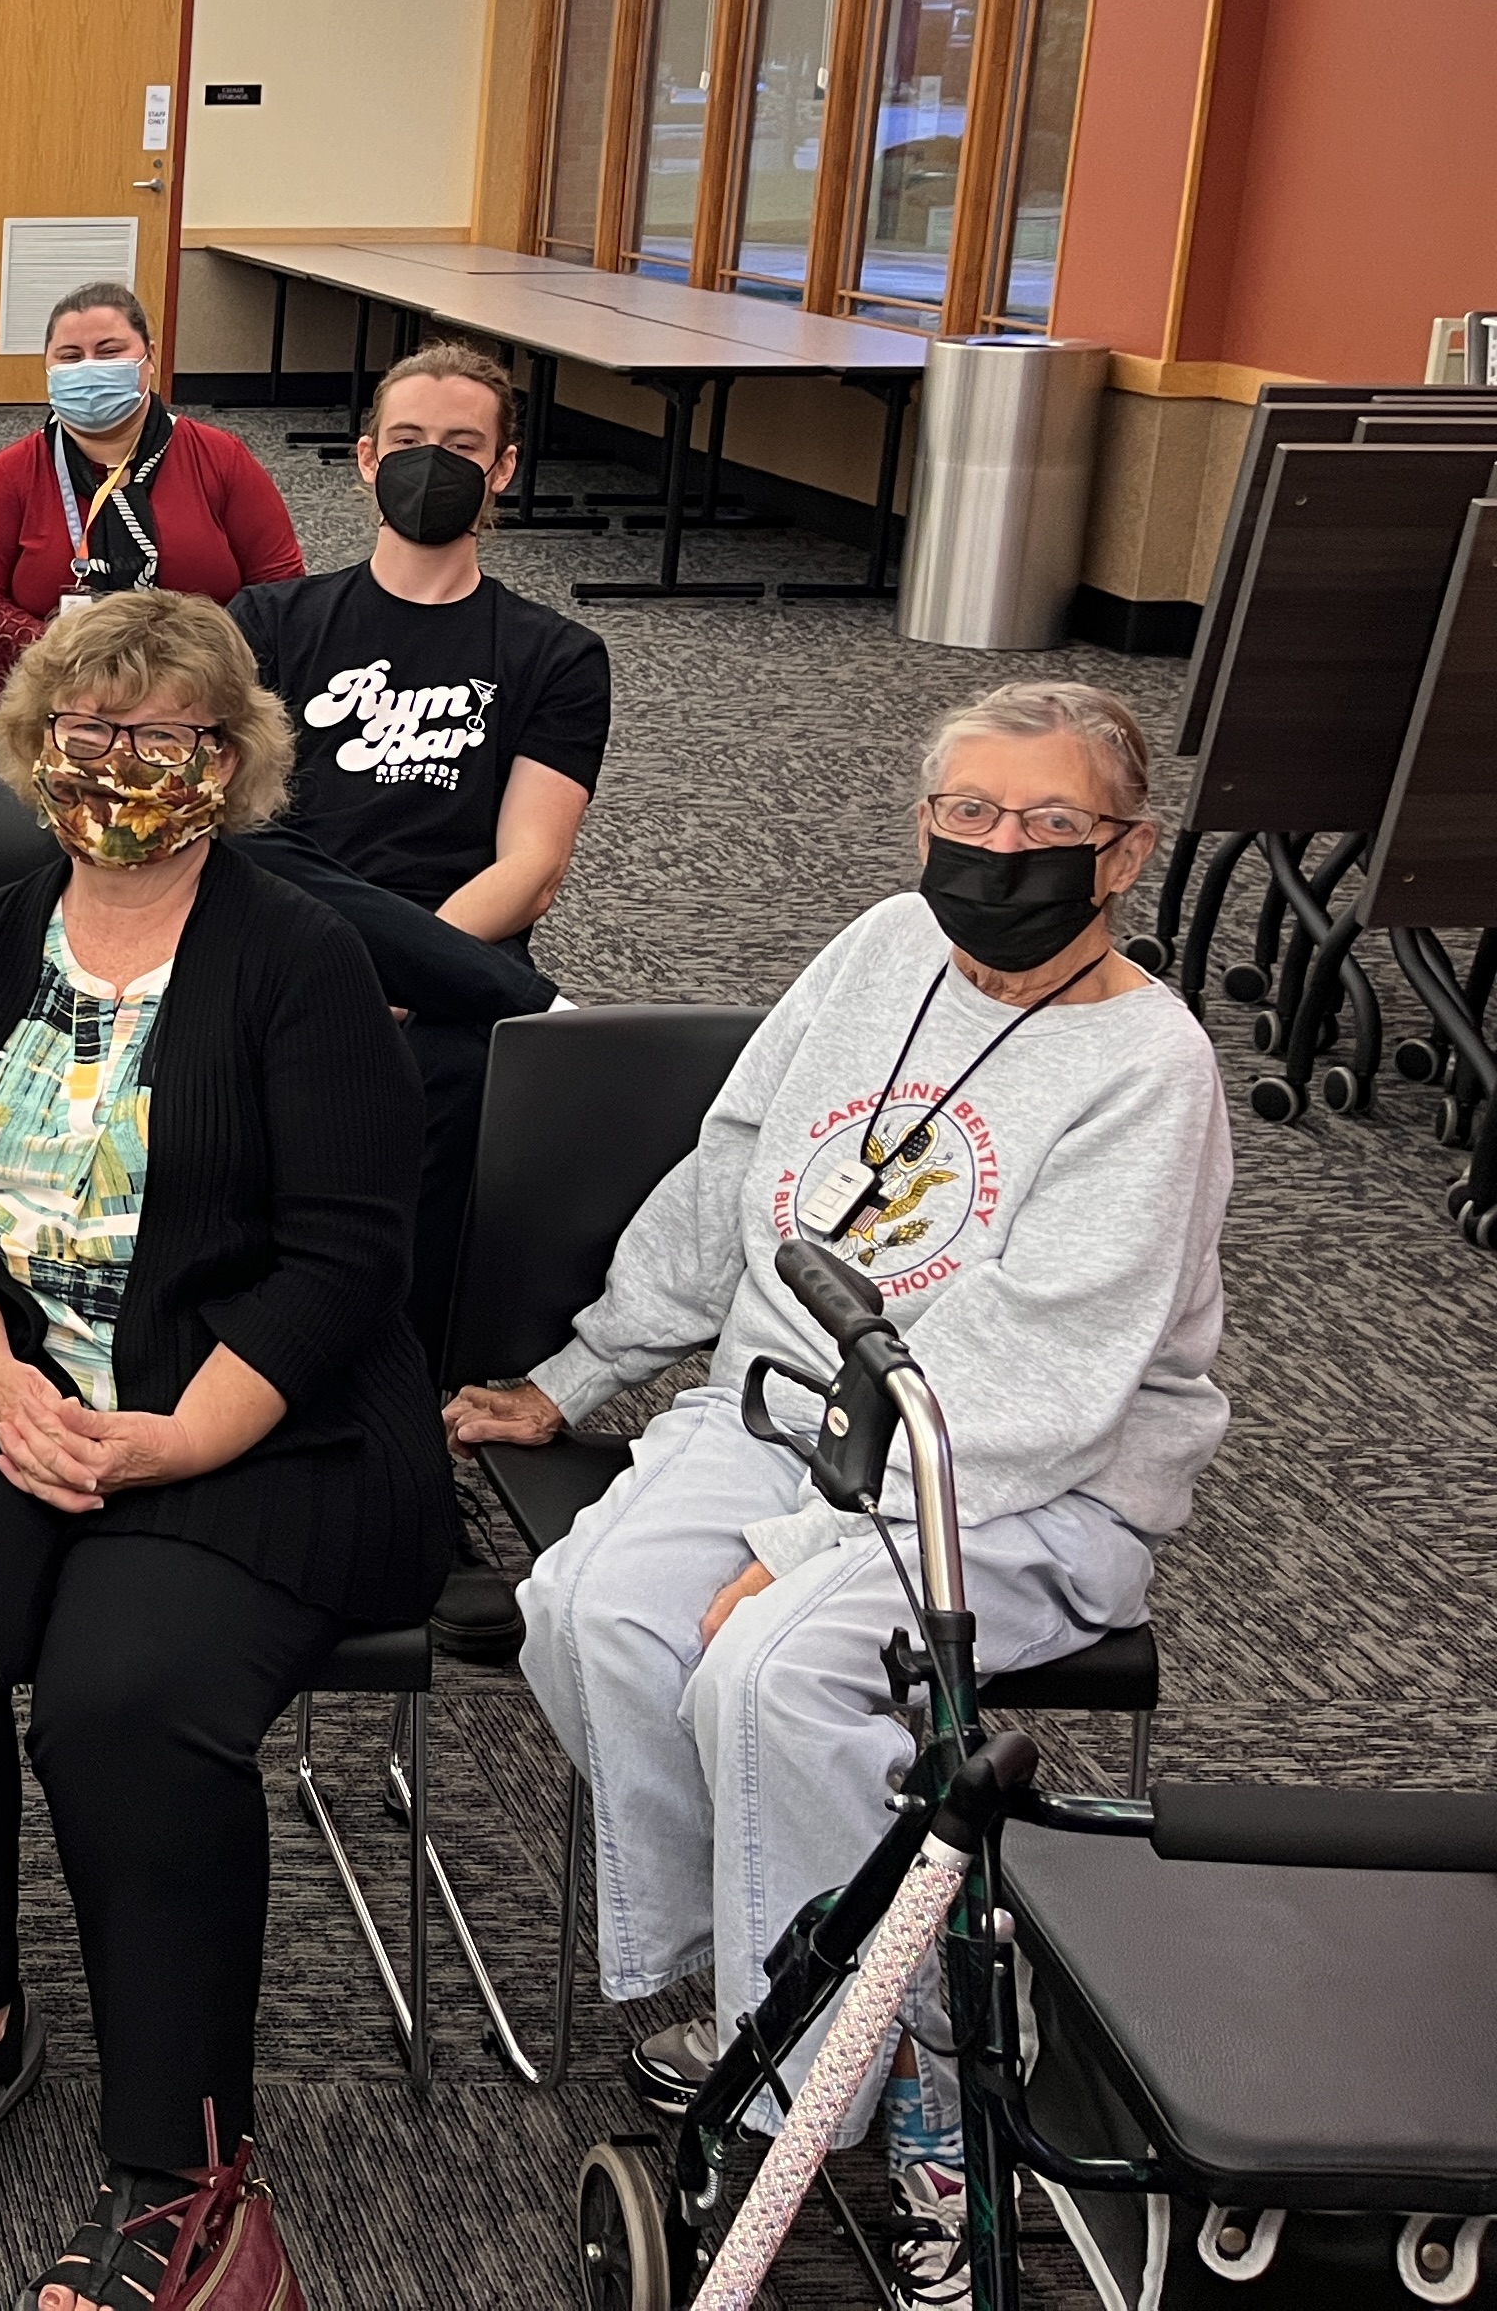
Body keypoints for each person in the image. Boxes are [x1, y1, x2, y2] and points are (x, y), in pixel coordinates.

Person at [450, 681, 1226, 2307]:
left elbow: (1029, 1384)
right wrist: (579, 1374)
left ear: (1126, 852)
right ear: (920, 820)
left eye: (1046, 824)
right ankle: (781, 1986)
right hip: (794, 1409)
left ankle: (918, 2097)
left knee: (775, 1667)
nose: (996, 848)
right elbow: (736, 1170)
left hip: (1013, 1478)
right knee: (584, 1607)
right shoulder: (879, 946)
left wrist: (799, 1548)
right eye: (968, 812)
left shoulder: (1148, 1067)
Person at [0, 590, 442, 2311]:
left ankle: (177, 2155)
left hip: (247, 1415)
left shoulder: (302, 960)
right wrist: (1, 1381)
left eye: (165, 737)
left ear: (229, 763)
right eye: (90, 733)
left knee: (123, 1696)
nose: (123, 767)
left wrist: (174, 1438)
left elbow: (345, 1257)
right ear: (32, 750)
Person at [231, 340, 611, 1374]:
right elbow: (242, 829)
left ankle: (404, 1382)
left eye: (459, 445)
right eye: (407, 442)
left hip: (452, 965)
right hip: (286, 934)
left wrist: (409, 964)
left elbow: (530, 866)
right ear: (364, 458)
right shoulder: (269, 622)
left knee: (447, 1079)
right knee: (248, 839)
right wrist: (357, 965)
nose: (428, 463)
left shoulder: (555, 656)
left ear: (503, 469)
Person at [0, 283, 301, 728]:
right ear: (48, 368)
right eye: (70, 357)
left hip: (200, 703)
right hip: (58, 704)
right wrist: (64, 647)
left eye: (109, 352)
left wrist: (194, 653)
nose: (90, 367)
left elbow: (281, 588)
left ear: (149, 355)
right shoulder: (7, 476)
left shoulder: (221, 459)